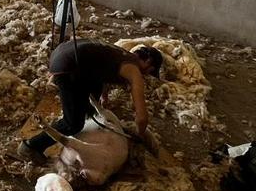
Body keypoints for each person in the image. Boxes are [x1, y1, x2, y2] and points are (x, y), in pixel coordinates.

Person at [17, 39, 163, 165]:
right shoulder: (134, 71)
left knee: (94, 89)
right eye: (150, 70)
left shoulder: (124, 55)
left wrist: (103, 96)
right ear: (148, 62)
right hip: (68, 65)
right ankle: (31, 146)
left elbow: (104, 69)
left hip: (65, 52)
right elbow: (142, 117)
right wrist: (139, 136)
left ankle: (84, 110)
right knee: (73, 124)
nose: (147, 74)